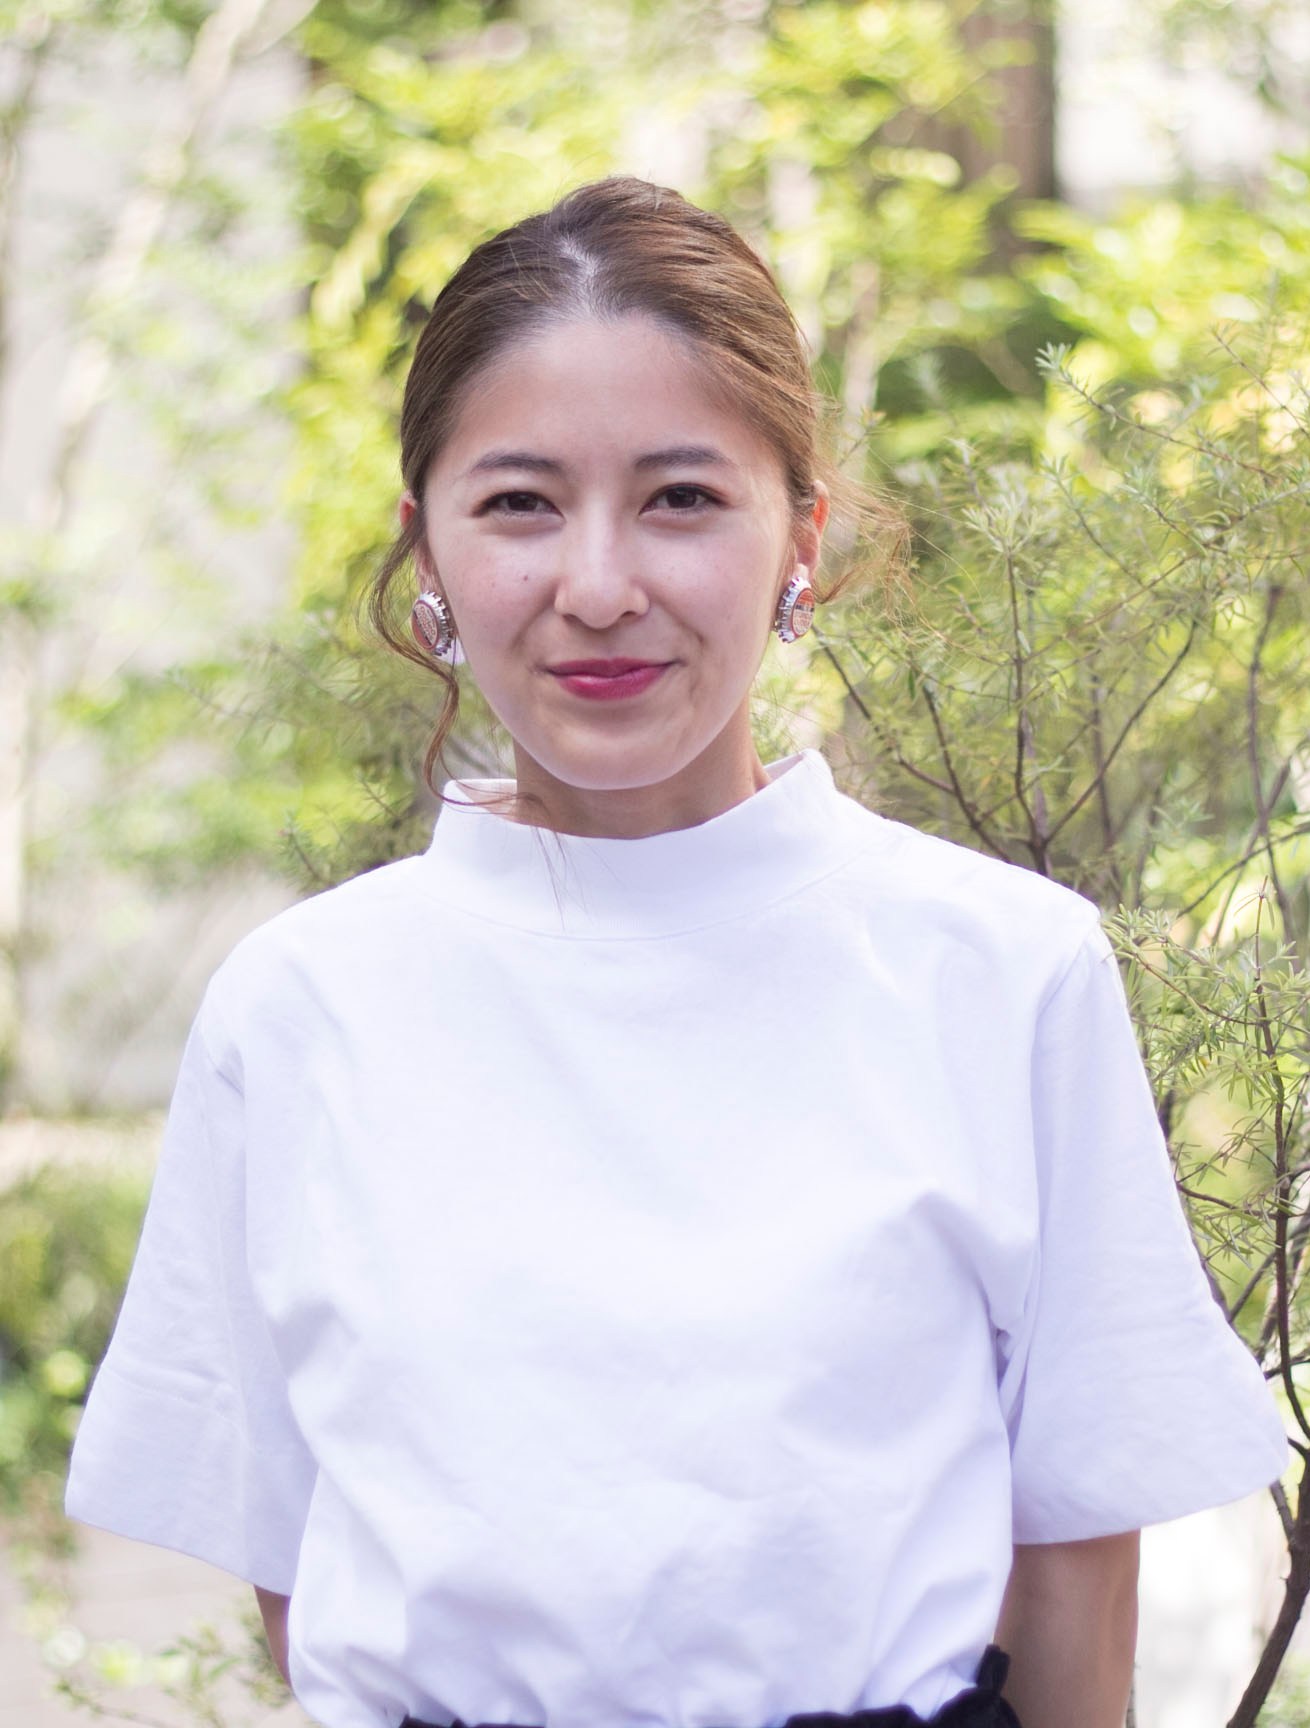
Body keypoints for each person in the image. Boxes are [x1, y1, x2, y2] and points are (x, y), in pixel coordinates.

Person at [65, 176, 1287, 1728]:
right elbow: (297, 1562)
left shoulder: (1001, 972)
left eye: (681, 499)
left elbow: (1073, 1565)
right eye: (519, 503)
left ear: (800, 539)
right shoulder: (302, 1007)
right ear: (426, 552)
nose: (597, 588)